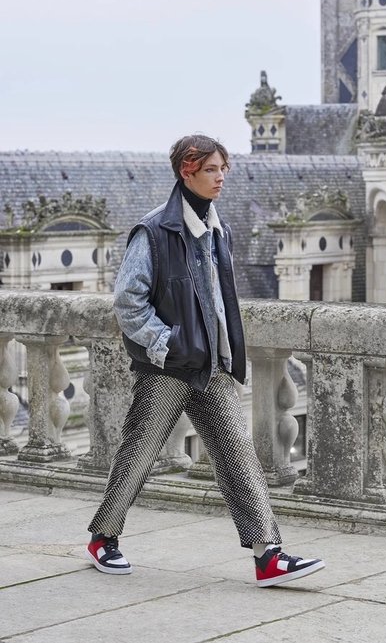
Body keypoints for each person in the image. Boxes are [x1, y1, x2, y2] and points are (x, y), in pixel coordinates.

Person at [85, 133, 325, 587]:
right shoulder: (153, 231)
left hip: (212, 367)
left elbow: (217, 301)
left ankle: (268, 556)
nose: (220, 178)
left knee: (239, 456)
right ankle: (103, 539)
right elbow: (128, 301)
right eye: (211, 170)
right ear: (187, 172)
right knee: (139, 454)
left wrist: (224, 353)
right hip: (168, 367)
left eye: (222, 169)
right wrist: (168, 344)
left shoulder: (219, 229)